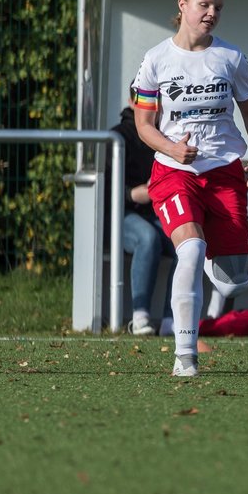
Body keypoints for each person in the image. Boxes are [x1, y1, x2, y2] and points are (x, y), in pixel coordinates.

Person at [131, 0, 248, 378]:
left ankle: (215, 259)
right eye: (204, 4)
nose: (211, 13)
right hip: (175, 171)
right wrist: (172, 148)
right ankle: (185, 355)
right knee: (188, 249)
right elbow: (144, 125)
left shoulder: (231, 58)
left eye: (218, 7)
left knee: (234, 282)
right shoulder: (156, 59)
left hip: (224, 171)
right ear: (182, 6)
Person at [110, 91, 175, 336]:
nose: (152, 108)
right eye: (145, 101)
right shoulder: (118, 136)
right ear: (131, 102)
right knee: (148, 237)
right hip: (121, 217)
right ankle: (140, 317)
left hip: (159, 212)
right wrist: (133, 194)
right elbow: (105, 191)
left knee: (188, 242)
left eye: (156, 102)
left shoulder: (168, 134)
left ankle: (173, 319)